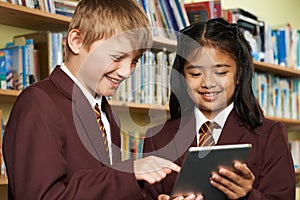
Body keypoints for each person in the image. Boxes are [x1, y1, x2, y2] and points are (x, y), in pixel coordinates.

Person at [3, 0, 180, 199]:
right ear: (77, 41)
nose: (126, 72)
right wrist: (127, 173)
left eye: (134, 61)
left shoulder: (103, 108)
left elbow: (106, 191)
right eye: (117, 56)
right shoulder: (38, 103)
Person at [143, 18, 295, 200]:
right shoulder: (157, 137)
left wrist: (247, 196)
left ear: (239, 74)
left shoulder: (270, 135)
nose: (208, 83)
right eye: (195, 73)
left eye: (221, 73)